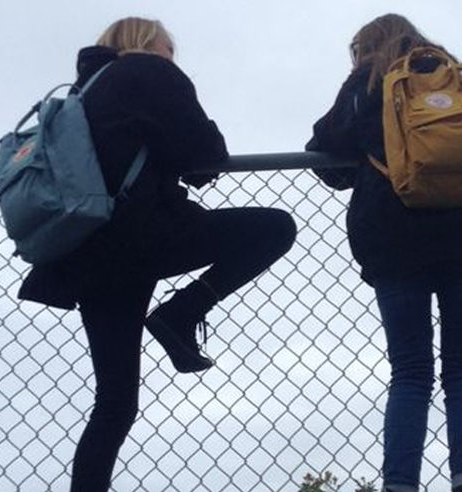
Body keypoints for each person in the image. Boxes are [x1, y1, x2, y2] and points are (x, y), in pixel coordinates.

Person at [17, 17, 296, 491]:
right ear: (150, 44)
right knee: (275, 228)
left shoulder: (84, 91)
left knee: (115, 402)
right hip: (146, 235)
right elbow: (205, 154)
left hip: (90, 252)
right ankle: (182, 311)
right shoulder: (150, 71)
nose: (172, 56)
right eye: (170, 48)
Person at [306, 14, 462, 492]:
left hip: (395, 236)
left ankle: (400, 483)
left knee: (410, 371)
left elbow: (325, 154)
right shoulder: (459, 77)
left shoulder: (367, 83)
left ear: (364, 48)